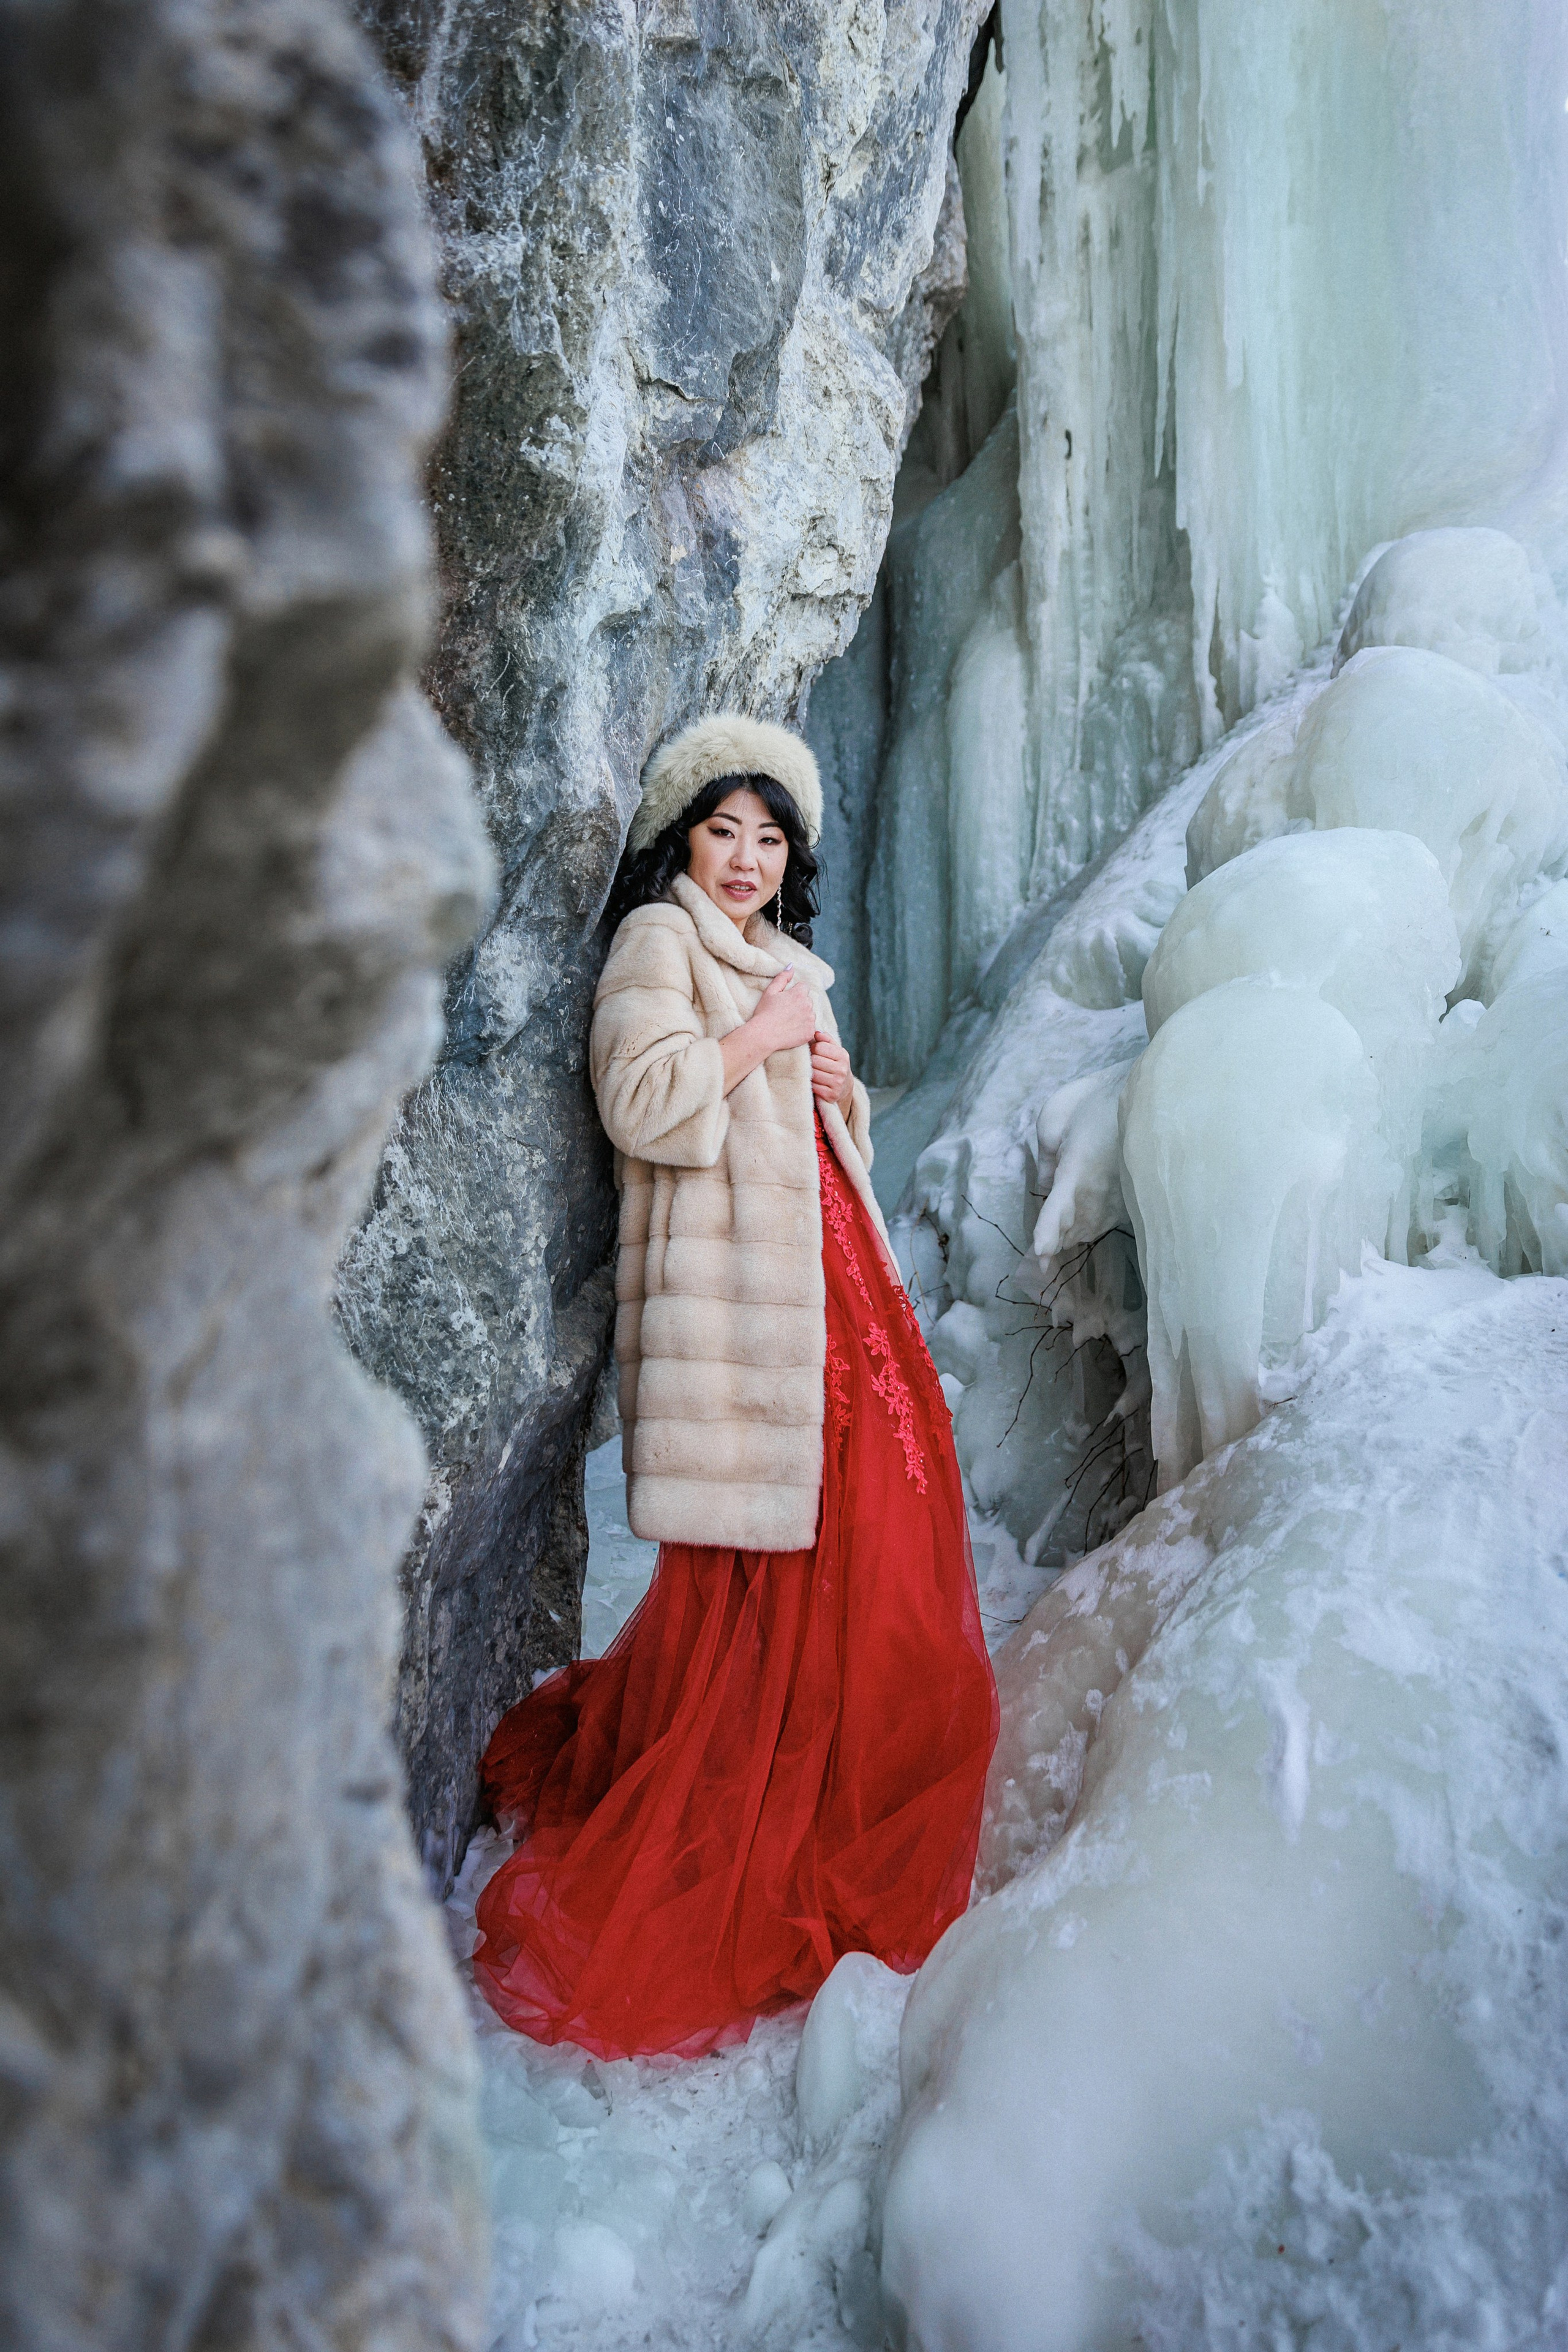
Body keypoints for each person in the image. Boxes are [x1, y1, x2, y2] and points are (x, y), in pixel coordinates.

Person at [472, 712, 998, 2060]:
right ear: (683, 836)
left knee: (884, 1520)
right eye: (726, 830)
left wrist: (835, 1080)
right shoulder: (661, 943)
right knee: (766, 1575)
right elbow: (641, 1100)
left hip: (826, 1280)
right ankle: (737, 1835)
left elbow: (806, 1124)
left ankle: (825, 1806)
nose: (749, 858)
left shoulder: (772, 961)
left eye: (771, 838)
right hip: (742, 1317)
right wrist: (763, 1035)